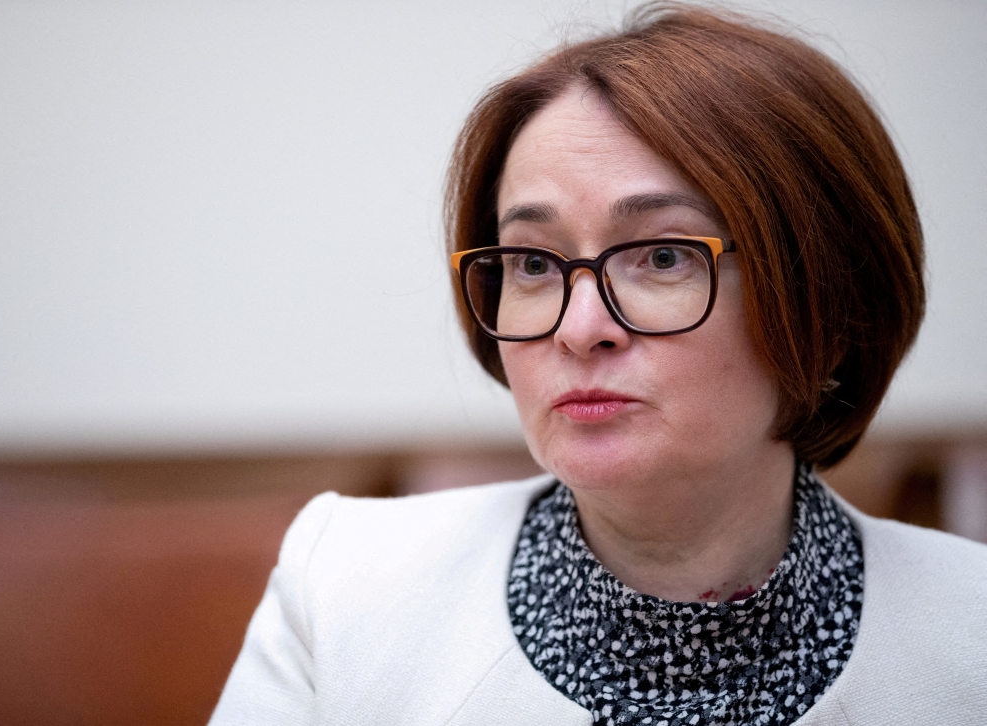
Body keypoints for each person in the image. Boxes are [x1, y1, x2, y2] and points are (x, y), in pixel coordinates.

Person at [210, 4, 987, 725]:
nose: (581, 330)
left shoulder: (968, 636)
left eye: (662, 255)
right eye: (534, 264)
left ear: (825, 293)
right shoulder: (348, 587)